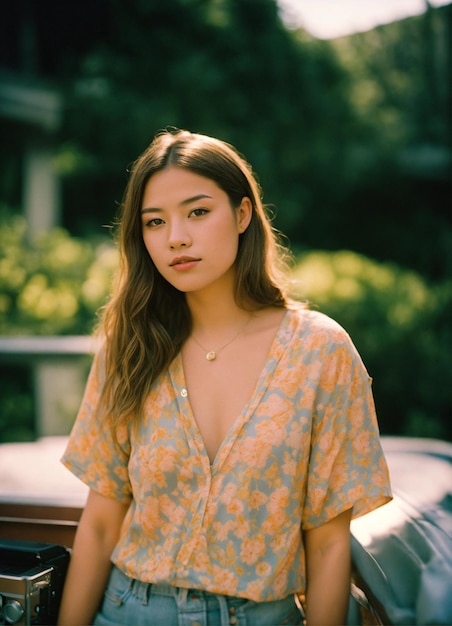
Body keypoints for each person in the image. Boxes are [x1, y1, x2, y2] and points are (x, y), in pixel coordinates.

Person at [57, 128, 392, 626]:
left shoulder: (319, 352)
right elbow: (102, 524)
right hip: (130, 611)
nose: (176, 237)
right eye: (155, 221)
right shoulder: (128, 347)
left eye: (197, 212)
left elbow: (326, 545)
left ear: (241, 215)